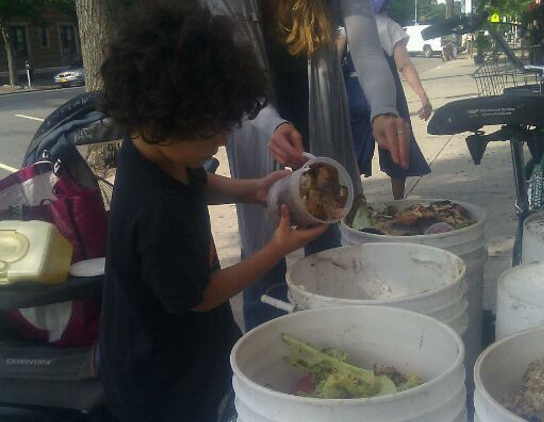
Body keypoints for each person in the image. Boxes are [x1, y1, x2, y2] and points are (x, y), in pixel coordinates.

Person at [97, 1, 328, 421]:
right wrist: (274, 250)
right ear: (165, 119)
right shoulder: (156, 215)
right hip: (166, 382)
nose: (221, 141)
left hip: (194, 348)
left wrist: (254, 190)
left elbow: (197, 183)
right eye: (212, 130)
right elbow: (201, 296)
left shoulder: (151, 148)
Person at [207, 0, 410, 330]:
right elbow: (232, 76)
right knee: (262, 253)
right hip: (254, 116)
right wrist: (271, 123)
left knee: (331, 242)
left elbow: (368, 49)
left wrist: (384, 110)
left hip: (320, 111)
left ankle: (340, 333)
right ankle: (267, 359)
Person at [341, 0, 431, 199]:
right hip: (388, 96)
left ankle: (353, 201)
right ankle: (398, 200)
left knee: (353, 151)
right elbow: (404, 65)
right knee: (396, 144)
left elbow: (337, 60)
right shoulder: (391, 27)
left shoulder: (348, 26)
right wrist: (422, 96)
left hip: (355, 93)